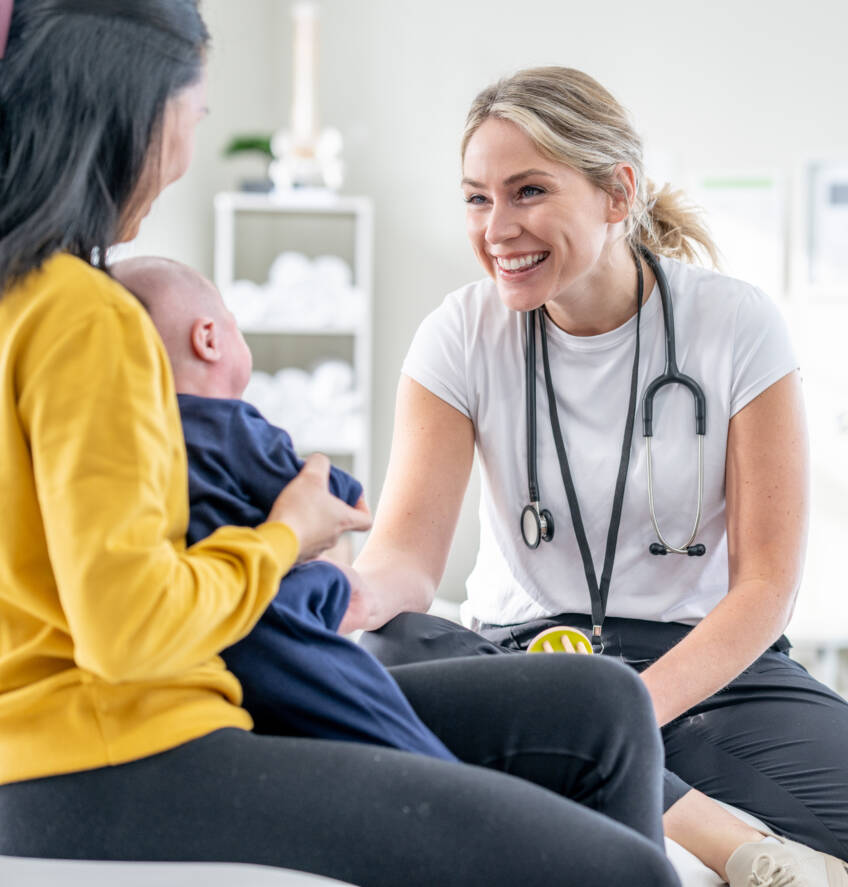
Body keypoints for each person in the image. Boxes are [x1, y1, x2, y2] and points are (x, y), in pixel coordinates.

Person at [0, 6, 678, 886]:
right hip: (111, 743)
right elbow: (129, 631)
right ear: (135, 108)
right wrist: (289, 529)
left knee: (602, 700)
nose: (189, 149)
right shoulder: (80, 313)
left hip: (106, 721)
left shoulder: (38, 293)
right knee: (626, 873)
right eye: (192, 115)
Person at [353, 66, 848, 887]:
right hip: (528, 662)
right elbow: (407, 564)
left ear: (617, 193)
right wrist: (341, 596)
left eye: (528, 190)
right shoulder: (459, 334)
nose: (497, 227)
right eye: (476, 197)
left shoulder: (733, 324)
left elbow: (766, 586)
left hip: (708, 665)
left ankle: (609, 760)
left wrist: (625, 708)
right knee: (386, 645)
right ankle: (722, 838)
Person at [111, 256, 453, 760]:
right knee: (405, 745)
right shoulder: (229, 426)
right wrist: (335, 488)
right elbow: (335, 496)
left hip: (202, 647)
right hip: (277, 629)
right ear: (209, 339)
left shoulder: (127, 444)